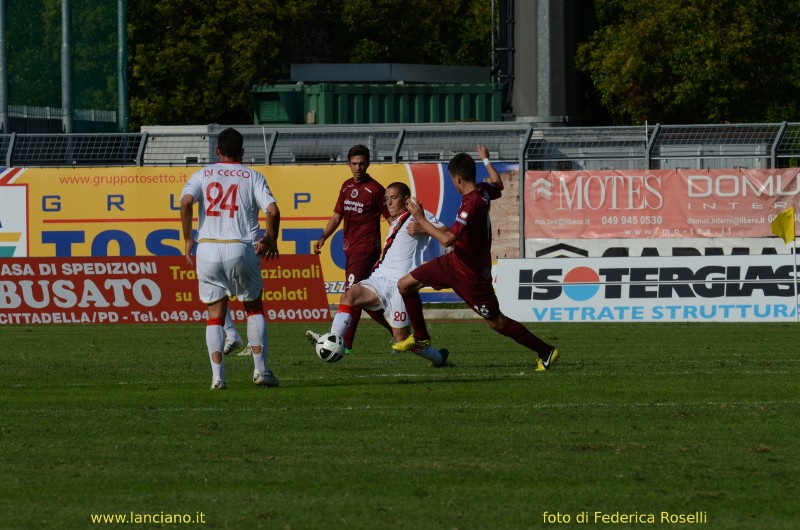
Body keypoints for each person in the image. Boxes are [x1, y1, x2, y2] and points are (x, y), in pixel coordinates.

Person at [393, 146, 560, 372]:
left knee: (496, 322)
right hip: (453, 263)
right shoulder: (483, 190)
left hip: (471, 275)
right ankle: (421, 337)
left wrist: (421, 219)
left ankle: (545, 351)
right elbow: (499, 185)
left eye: (453, 180)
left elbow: (446, 240)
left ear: (458, 179)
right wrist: (487, 159)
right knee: (405, 285)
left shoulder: (471, 204)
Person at [180, 127, 281, 389]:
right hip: (240, 247)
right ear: (242, 152)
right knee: (254, 308)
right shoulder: (252, 176)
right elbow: (272, 211)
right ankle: (261, 372)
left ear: (217, 151)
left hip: (209, 248)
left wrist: (188, 238)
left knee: (215, 315)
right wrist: (271, 238)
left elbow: (185, 203)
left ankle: (217, 378)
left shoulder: (202, 174)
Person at [306, 182, 450, 365]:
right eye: (386, 199)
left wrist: (422, 228)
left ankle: (438, 358)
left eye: (393, 198)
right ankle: (333, 340)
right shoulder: (395, 221)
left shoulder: (419, 216)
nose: (388, 203)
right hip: (380, 278)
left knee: (401, 338)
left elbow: (446, 233)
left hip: (401, 284)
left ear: (406, 200)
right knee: (349, 295)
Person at [314, 144, 393, 354]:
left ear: (367, 164)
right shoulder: (346, 186)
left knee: (350, 293)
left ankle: (340, 341)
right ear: (349, 164)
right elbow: (337, 216)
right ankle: (398, 330)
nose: (358, 167)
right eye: (354, 164)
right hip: (350, 248)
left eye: (362, 164)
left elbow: (391, 218)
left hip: (366, 249)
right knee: (367, 299)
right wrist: (323, 237)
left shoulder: (376, 190)